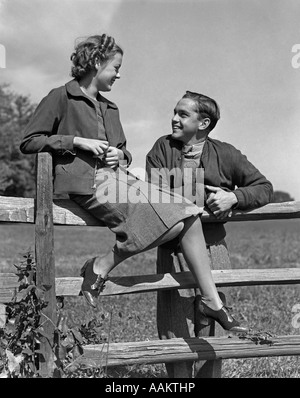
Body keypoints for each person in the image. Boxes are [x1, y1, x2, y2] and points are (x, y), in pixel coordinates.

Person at [20, 33, 247, 335]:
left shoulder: (111, 108)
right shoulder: (59, 97)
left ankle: (210, 301)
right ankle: (101, 265)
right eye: (115, 67)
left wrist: (119, 155)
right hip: (87, 184)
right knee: (176, 219)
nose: (118, 74)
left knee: (188, 212)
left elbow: (124, 150)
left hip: (119, 179)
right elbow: (29, 142)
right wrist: (76, 142)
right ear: (97, 63)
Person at [145, 91, 273, 377]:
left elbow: (264, 187)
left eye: (182, 114)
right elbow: (158, 195)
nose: (174, 118)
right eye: (175, 112)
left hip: (214, 249)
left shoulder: (226, 153)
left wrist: (234, 197)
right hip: (172, 251)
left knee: (212, 329)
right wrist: (204, 196)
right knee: (174, 328)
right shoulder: (161, 149)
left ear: (203, 123)